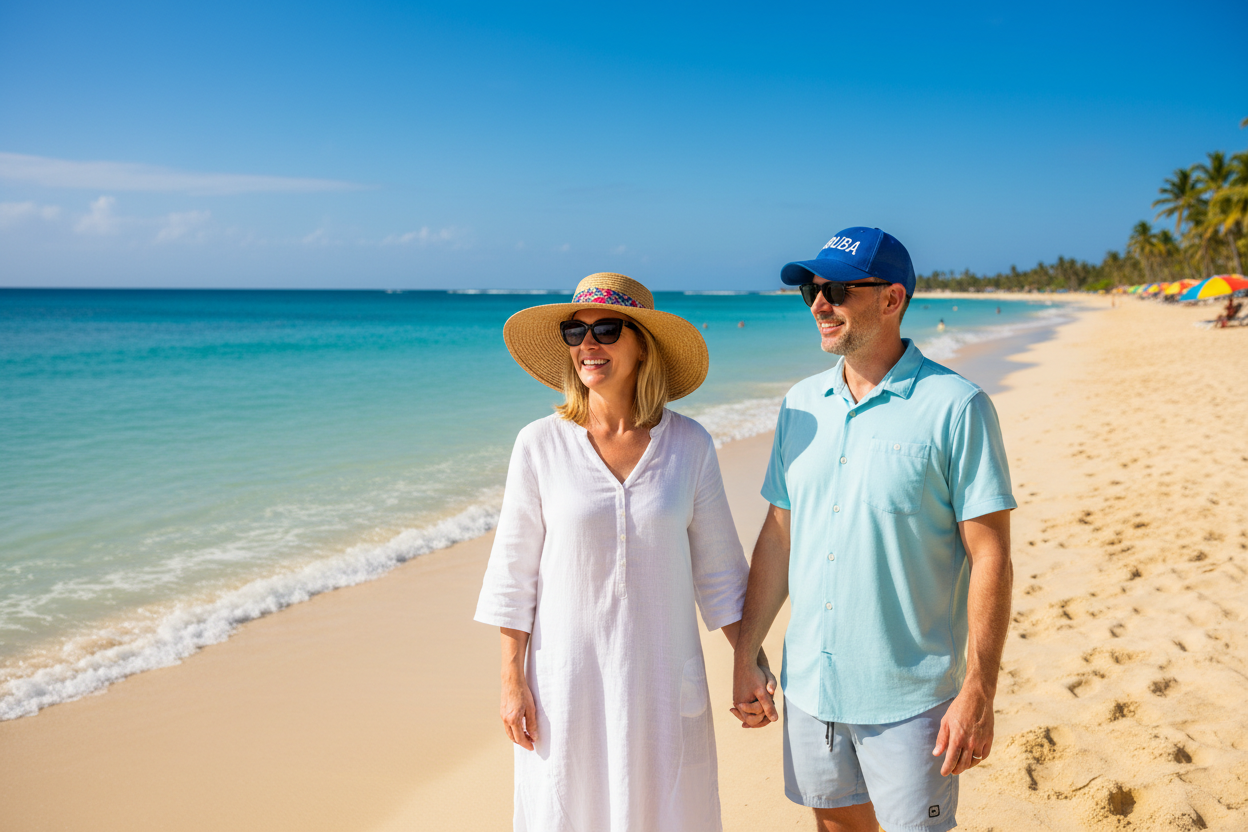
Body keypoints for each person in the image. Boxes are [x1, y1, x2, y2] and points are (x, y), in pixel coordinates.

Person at [732, 227, 1016, 832]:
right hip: (811, 689)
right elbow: (779, 535)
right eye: (810, 290)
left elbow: (990, 557)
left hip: (911, 699)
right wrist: (744, 652)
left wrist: (979, 691)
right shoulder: (799, 404)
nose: (817, 304)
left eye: (835, 289)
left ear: (891, 299)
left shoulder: (958, 407)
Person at [475, 273, 756, 832]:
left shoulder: (690, 444)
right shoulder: (539, 444)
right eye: (574, 332)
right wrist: (512, 681)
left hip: (662, 685)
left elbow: (722, 574)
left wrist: (750, 666)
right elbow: (513, 576)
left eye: (606, 328)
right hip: (564, 687)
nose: (587, 344)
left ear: (642, 345)